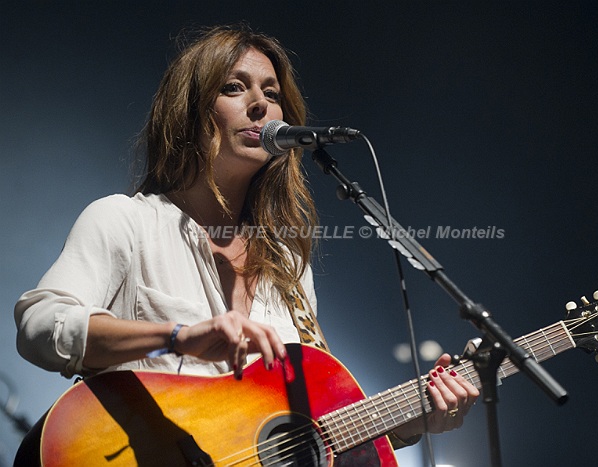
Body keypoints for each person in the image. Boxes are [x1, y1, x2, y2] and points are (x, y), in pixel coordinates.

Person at [14, 25, 479, 462]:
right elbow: (40, 326)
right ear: (189, 110)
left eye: (272, 94)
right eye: (235, 87)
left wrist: (412, 421)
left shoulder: (287, 266)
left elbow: (315, 426)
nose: (260, 104)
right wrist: (177, 338)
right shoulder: (125, 221)